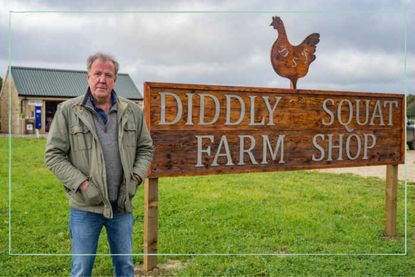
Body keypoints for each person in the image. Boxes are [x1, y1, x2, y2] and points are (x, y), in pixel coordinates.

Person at [45, 52, 153, 277]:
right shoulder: (68, 111)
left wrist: (135, 179)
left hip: (122, 206)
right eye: (97, 74)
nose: (102, 79)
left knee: (125, 266)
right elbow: (54, 155)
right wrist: (83, 184)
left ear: (115, 79)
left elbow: (145, 148)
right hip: (85, 208)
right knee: (82, 269)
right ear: (88, 77)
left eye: (108, 75)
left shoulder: (132, 111)